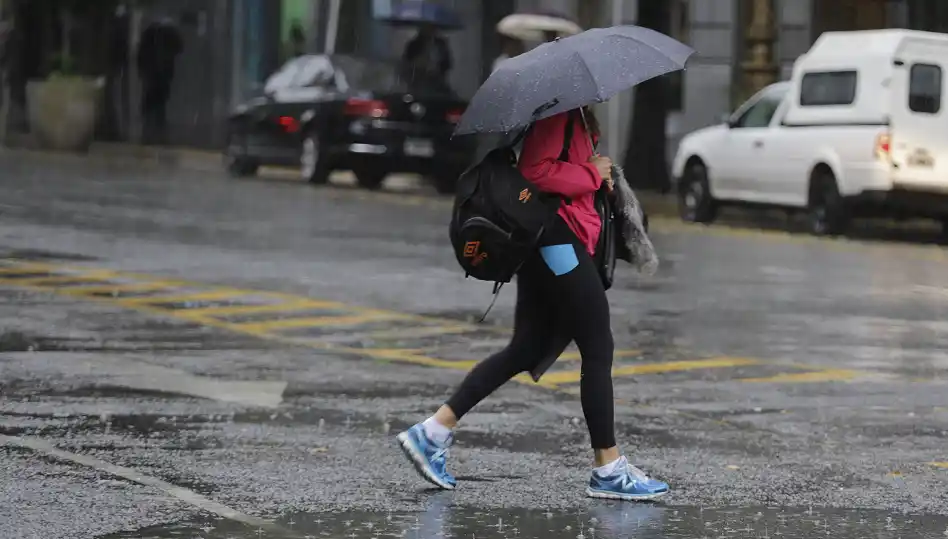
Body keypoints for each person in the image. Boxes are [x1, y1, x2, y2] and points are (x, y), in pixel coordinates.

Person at [397, 107, 670, 501]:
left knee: (525, 349)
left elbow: (567, 175)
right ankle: (608, 468)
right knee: (598, 346)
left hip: (563, 240)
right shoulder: (556, 115)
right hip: (556, 241)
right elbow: (536, 172)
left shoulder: (575, 116)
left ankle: (432, 431)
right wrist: (592, 173)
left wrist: (598, 175)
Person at [136, 16, 182, 145]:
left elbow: (140, 54)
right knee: (158, 104)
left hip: (153, 74)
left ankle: (149, 134)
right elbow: (179, 49)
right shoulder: (168, 35)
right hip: (160, 74)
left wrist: (142, 71)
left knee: (151, 103)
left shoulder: (150, 35)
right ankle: (156, 134)